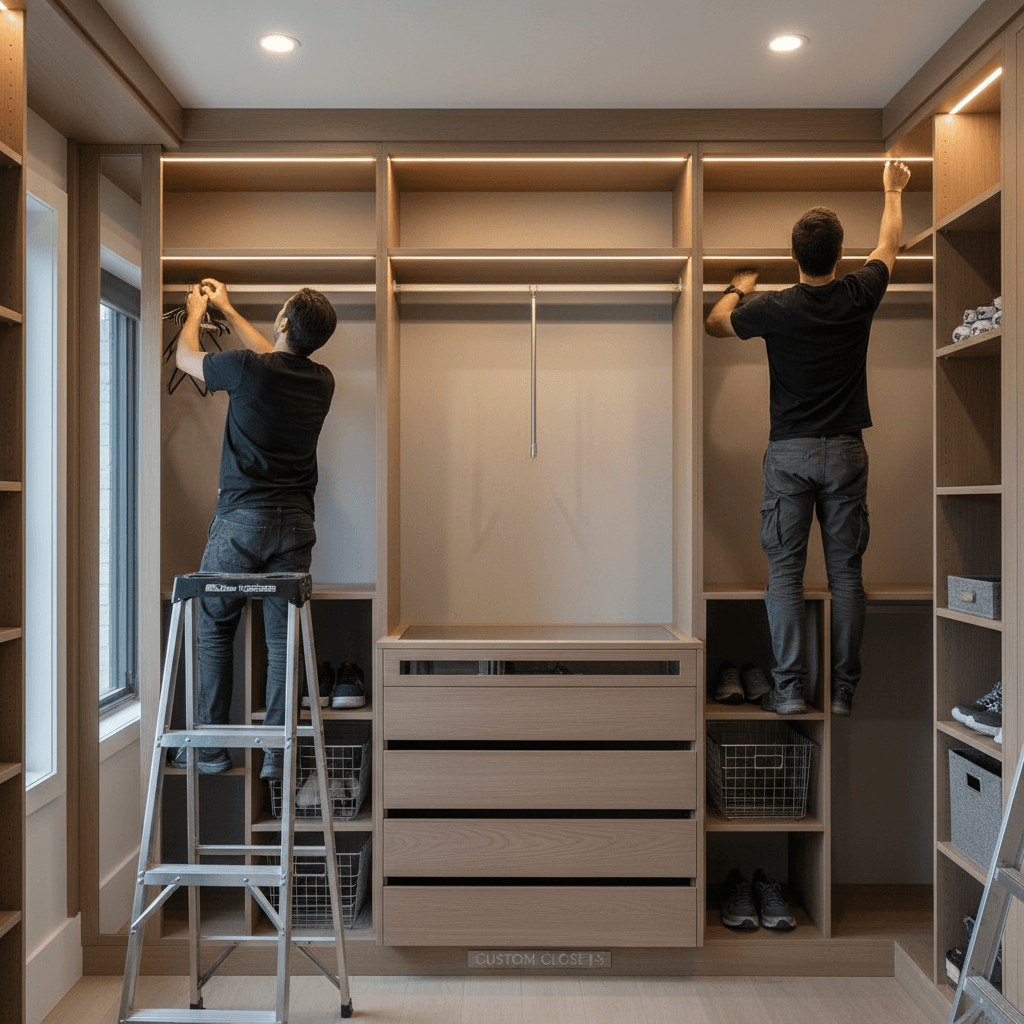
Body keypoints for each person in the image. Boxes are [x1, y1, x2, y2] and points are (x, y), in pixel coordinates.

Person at [704, 160, 912, 718]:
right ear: (840, 255)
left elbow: (715, 323)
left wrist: (737, 288)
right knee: (846, 574)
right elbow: (890, 244)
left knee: (785, 575)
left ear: (794, 256)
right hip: (845, 450)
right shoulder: (860, 291)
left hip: (790, 453)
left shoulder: (772, 306)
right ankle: (843, 691)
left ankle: (790, 689)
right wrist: (891, 190)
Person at [172, 279, 337, 777]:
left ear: (284, 321)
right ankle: (276, 754)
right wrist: (229, 306)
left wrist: (196, 312)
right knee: (282, 641)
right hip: (296, 527)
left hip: (241, 523)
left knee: (216, 624)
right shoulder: (322, 380)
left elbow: (185, 358)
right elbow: (274, 355)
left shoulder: (247, 370)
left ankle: (211, 747)